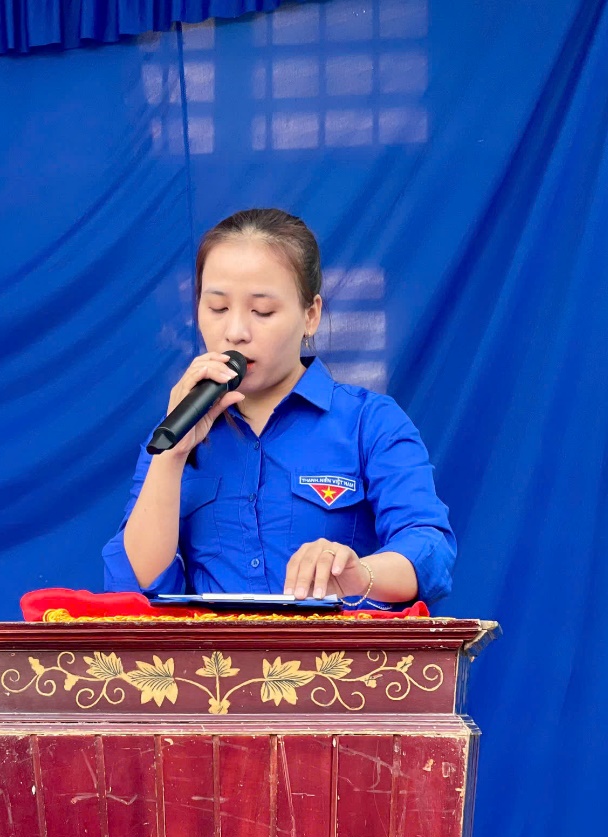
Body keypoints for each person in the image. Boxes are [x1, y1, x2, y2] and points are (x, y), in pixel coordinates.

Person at [103, 208, 456, 606]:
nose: (235, 332)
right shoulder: (174, 431)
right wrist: (171, 456)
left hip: (336, 664)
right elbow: (132, 588)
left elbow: (431, 550)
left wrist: (361, 573)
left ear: (311, 315)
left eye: (262, 311)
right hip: (210, 665)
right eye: (217, 308)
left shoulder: (370, 423)